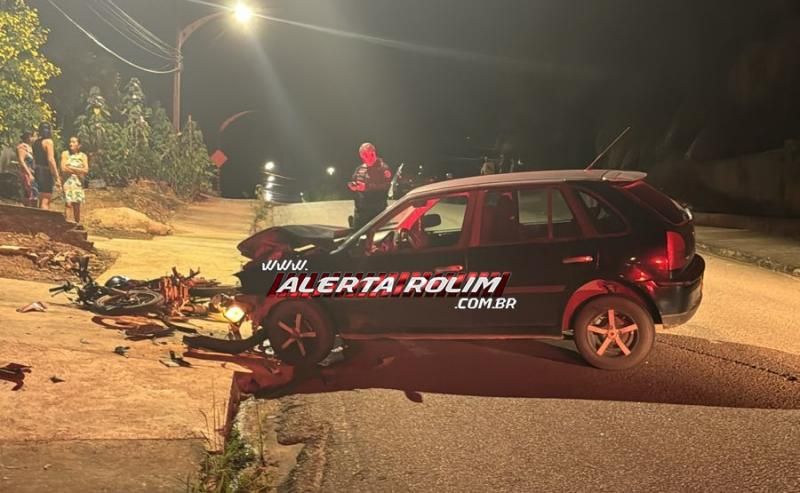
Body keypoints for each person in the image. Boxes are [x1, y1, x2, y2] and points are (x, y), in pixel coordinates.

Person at [347, 142, 392, 230]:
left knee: (379, 236)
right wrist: (354, 187)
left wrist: (367, 187)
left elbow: (386, 186)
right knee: (357, 235)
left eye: (371, 154)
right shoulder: (359, 169)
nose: (370, 158)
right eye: (366, 156)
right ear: (361, 156)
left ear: (375, 152)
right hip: (361, 211)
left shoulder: (383, 168)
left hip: (378, 211)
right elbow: (354, 181)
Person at [32, 122, 61, 209]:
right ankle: (44, 221)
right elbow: (51, 160)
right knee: (46, 200)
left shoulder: (35, 142)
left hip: (37, 171)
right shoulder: (49, 142)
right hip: (46, 172)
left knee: (40, 199)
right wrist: (57, 177)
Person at [60, 136, 88, 222]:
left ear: (79, 145)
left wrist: (71, 169)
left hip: (77, 183)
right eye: (70, 142)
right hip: (67, 182)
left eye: (73, 142)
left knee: (77, 205)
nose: (70, 144)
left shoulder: (83, 156)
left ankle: (77, 224)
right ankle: (66, 223)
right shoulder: (65, 154)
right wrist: (78, 170)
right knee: (68, 204)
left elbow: (86, 170)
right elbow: (63, 168)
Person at [16, 131, 38, 207]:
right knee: (28, 195)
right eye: (33, 136)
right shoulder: (22, 147)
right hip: (26, 174)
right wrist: (29, 174)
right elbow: (22, 161)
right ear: (28, 137)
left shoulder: (31, 147)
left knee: (34, 196)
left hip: (33, 173)